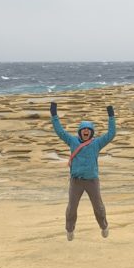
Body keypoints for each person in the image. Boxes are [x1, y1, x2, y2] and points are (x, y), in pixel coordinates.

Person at [50, 101, 116, 240]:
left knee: (99, 208)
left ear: (91, 132)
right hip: (76, 182)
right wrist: (54, 114)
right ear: (80, 132)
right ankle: (69, 230)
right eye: (83, 130)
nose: (86, 131)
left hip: (92, 181)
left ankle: (104, 226)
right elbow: (60, 131)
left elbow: (111, 134)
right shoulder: (72, 141)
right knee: (71, 209)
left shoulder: (97, 143)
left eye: (88, 130)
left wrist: (111, 116)